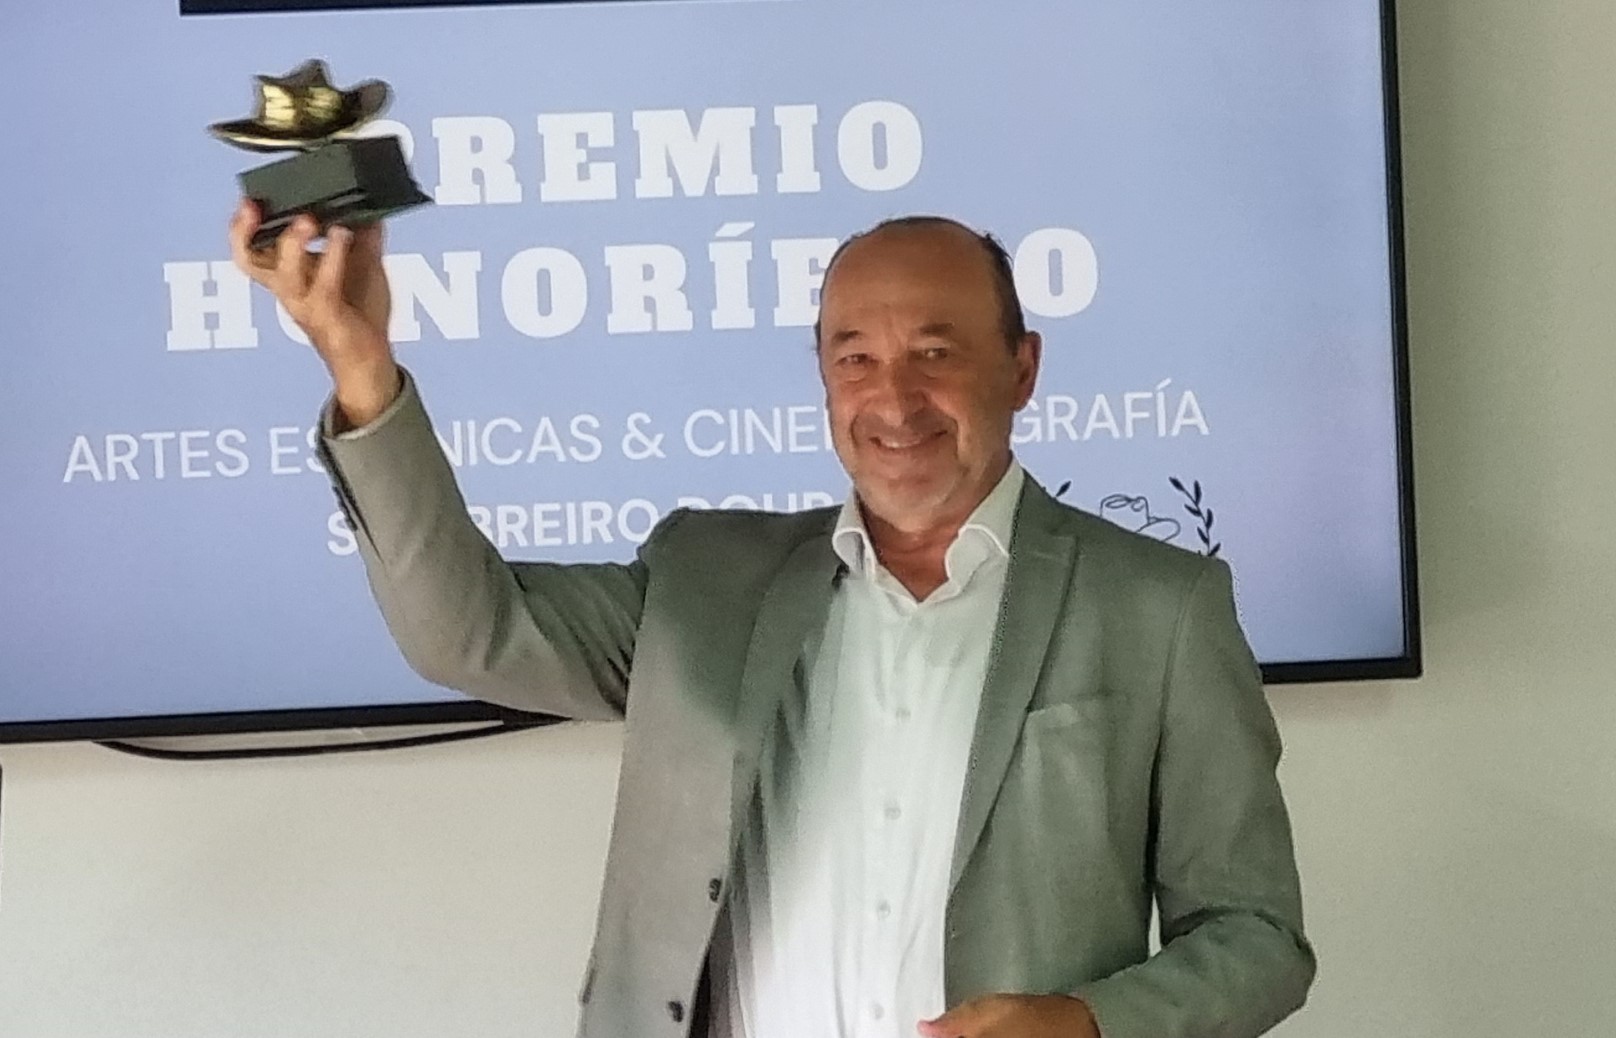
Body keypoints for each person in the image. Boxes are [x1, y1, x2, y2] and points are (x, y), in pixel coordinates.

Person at [229, 204, 1315, 1038]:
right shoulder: (709, 579)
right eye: (855, 357)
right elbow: (465, 632)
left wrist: (1088, 1025)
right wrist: (360, 365)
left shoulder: (1159, 607)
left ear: (1021, 369)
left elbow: (1256, 937)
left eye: (935, 353)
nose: (893, 399)